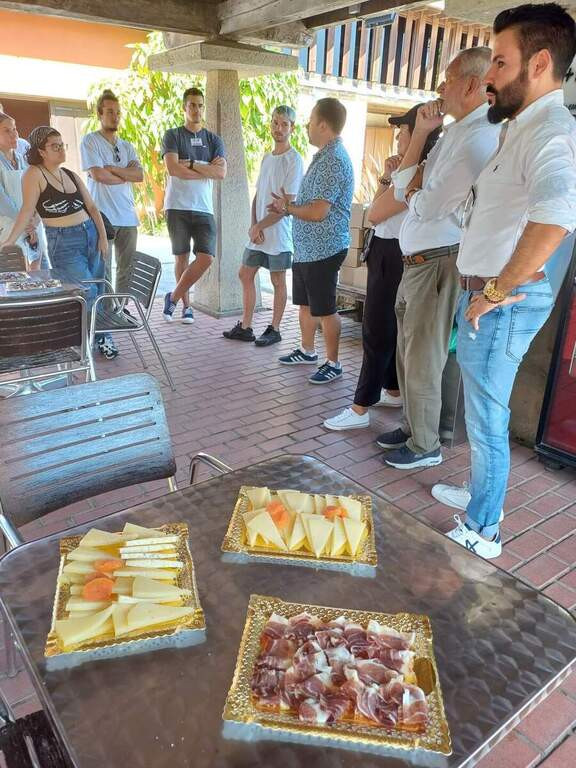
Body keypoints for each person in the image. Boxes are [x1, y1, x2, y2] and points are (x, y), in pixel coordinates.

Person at [432, 3, 576, 559]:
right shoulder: (523, 128)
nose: (488, 76)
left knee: (489, 418)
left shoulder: (551, 132)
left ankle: (484, 529)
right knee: (479, 410)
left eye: (498, 61)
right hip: (490, 295)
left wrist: (491, 293)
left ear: (539, 63)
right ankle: (478, 495)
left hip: (501, 299)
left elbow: (558, 214)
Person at [377, 47, 500, 469]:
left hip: (438, 261)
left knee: (424, 355)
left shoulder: (478, 138)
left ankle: (425, 443)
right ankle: (414, 427)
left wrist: (413, 190)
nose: (439, 89)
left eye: (446, 80)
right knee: (408, 352)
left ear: (470, 84)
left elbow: (427, 205)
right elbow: (404, 190)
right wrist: (420, 138)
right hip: (419, 261)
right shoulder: (453, 132)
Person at [323, 104, 441, 430]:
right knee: (387, 327)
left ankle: (360, 408)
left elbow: (375, 213)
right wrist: (388, 176)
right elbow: (376, 206)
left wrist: (393, 177)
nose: (398, 136)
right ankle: (392, 389)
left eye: (402, 130)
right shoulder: (406, 169)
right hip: (386, 250)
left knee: (376, 330)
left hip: (396, 253)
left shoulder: (420, 169)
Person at [0, 125, 118, 359]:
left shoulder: (71, 174)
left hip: (90, 234)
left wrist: (103, 238)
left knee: (99, 285)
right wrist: (9, 242)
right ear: (42, 151)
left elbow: (93, 208)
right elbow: (26, 210)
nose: (61, 150)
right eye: (55, 146)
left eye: (62, 145)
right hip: (63, 242)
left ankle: (99, 334)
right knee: (86, 290)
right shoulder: (34, 174)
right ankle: (90, 338)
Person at [268, 97, 354, 384]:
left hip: (325, 249)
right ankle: (307, 350)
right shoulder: (322, 156)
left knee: (326, 309)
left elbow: (319, 212)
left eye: (310, 120)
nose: (306, 125)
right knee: (305, 304)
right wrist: (288, 205)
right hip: (307, 249)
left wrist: (287, 208)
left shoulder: (332, 160)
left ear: (323, 125)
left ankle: (334, 362)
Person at [223, 105, 304, 346]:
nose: (278, 128)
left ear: (292, 128)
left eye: (284, 124)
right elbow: (258, 195)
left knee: (278, 281)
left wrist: (260, 226)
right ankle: (246, 327)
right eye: (275, 123)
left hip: (278, 235)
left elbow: (287, 204)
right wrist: (253, 226)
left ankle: (275, 329)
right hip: (258, 232)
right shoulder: (267, 157)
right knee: (245, 273)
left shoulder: (294, 159)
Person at [162, 87, 227, 324]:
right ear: (184, 107)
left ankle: (174, 296)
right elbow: (172, 169)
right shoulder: (173, 136)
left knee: (206, 257)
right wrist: (203, 168)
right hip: (177, 206)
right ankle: (186, 307)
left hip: (203, 208)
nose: (196, 109)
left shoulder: (214, 140)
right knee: (181, 257)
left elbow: (220, 173)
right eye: (191, 105)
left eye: (200, 105)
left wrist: (188, 163)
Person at [80, 89, 143, 294]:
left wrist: (114, 169)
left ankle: (121, 310)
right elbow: (98, 175)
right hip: (102, 216)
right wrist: (126, 174)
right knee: (103, 270)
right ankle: (106, 314)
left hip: (128, 217)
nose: (114, 116)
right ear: (99, 114)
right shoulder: (90, 141)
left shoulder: (127, 146)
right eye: (109, 112)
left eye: (117, 112)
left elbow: (139, 175)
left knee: (127, 269)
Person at [0, 112, 47, 269]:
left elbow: (38, 191)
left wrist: (35, 219)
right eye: (7, 130)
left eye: (14, 128)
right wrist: (25, 222)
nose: (14, 134)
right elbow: (2, 201)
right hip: (10, 227)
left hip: (33, 225)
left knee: (37, 274)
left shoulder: (24, 160)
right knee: (16, 278)